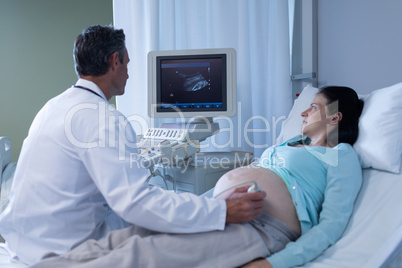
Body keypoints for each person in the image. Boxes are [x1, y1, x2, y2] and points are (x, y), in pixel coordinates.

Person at [0, 25, 265, 266]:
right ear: (115, 61)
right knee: (171, 237)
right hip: (62, 251)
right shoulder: (103, 118)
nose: (128, 72)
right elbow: (136, 203)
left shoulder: (54, 106)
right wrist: (222, 211)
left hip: (22, 243)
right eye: (127, 62)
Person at [30, 86, 364, 268]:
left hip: (262, 227)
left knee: (144, 256)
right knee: (127, 236)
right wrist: (192, 212)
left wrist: (276, 264)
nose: (304, 111)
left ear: (335, 116)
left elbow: (331, 225)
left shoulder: (341, 156)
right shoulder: (288, 144)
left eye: (314, 107)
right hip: (220, 212)